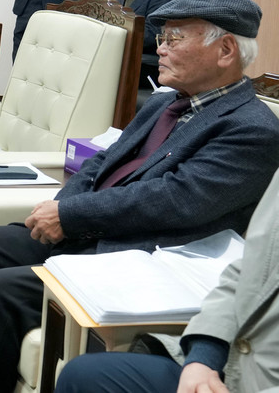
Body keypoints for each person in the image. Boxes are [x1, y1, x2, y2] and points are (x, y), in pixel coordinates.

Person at [0, 0, 279, 393]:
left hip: (135, 255)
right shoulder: (166, 101)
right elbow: (102, 162)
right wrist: (60, 209)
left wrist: (71, 217)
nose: (160, 49)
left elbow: (173, 201)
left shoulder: (252, 130)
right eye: (162, 38)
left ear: (226, 49)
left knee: (0, 289)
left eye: (174, 38)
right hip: (87, 229)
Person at [54, 166, 279, 393]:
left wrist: (69, 213)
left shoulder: (256, 132)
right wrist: (204, 357)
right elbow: (248, 269)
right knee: (84, 376)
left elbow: (179, 196)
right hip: (229, 362)